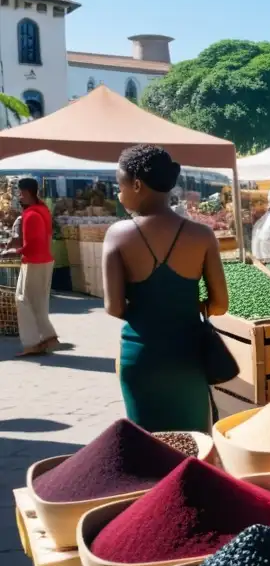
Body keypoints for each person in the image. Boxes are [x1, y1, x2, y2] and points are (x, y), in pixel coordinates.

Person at [103, 145, 229, 432]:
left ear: (136, 185)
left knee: (148, 448)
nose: (118, 193)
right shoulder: (202, 235)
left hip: (141, 356)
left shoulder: (118, 234)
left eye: (119, 186)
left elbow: (114, 307)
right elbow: (220, 305)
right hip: (188, 356)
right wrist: (181, 306)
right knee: (194, 444)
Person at [1, 179, 57, 356]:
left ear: (25, 193)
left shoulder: (30, 215)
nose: (19, 196)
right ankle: (47, 338)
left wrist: (12, 252)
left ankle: (33, 342)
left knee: (22, 300)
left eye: (20, 193)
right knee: (37, 302)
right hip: (44, 260)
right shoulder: (43, 210)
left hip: (34, 261)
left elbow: (32, 244)